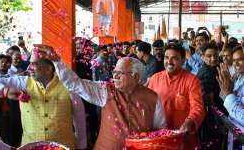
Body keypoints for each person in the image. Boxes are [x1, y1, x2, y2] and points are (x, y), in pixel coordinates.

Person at [35, 44, 166, 150]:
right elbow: (75, 83)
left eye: (120, 73)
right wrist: (57, 61)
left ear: (136, 77)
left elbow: (160, 131)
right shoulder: (105, 90)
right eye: (115, 72)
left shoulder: (153, 98)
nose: (115, 76)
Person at [0, 49, 87, 150]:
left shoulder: (68, 85)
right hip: (31, 146)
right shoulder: (23, 82)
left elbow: (79, 119)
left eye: (34, 64)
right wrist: (5, 91)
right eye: (30, 63)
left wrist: (82, 146)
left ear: (49, 68)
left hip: (64, 146)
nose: (29, 68)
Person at [148, 43, 205, 150]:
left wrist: (190, 121)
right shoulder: (154, 79)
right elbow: (147, 106)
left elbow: (198, 107)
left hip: (184, 139)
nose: (169, 62)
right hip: (159, 139)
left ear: (183, 60)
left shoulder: (192, 80)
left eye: (174, 58)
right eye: (167, 58)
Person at [197, 43, 228, 150]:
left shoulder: (214, 68)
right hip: (212, 117)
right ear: (203, 57)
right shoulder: (206, 73)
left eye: (215, 55)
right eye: (209, 56)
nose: (213, 58)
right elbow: (209, 100)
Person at [217, 46, 244, 150]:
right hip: (235, 135)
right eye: (234, 60)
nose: (236, 64)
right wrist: (226, 89)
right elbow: (227, 100)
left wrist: (228, 94)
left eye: (240, 60)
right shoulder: (238, 77)